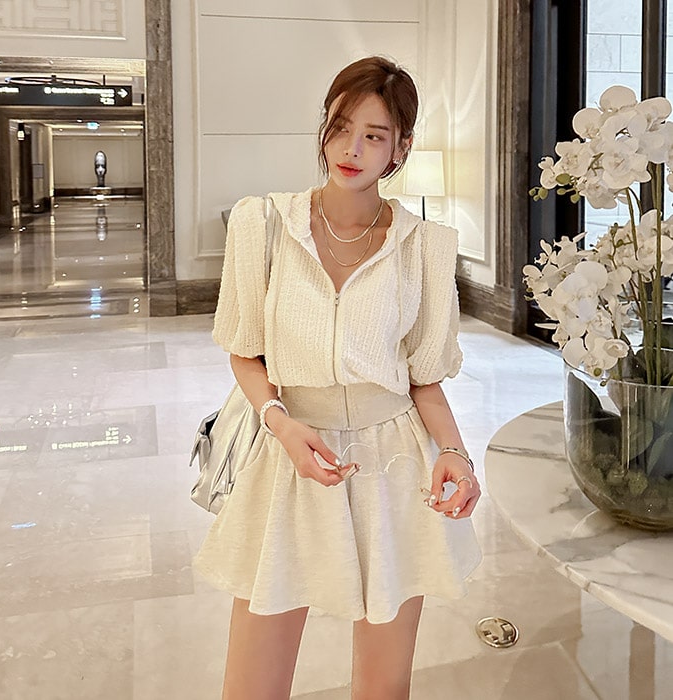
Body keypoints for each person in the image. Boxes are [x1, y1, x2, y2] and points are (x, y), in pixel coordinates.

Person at [194, 56, 482, 700]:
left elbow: (424, 378)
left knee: (384, 685)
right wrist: (279, 423)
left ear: (401, 148)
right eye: (341, 127)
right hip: (290, 452)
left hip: (393, 462)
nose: (351, 149)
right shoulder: (262, 223)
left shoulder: (425, 245)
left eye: (374, 135)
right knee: (252, 684)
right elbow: (244, 352)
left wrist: (455, 453)